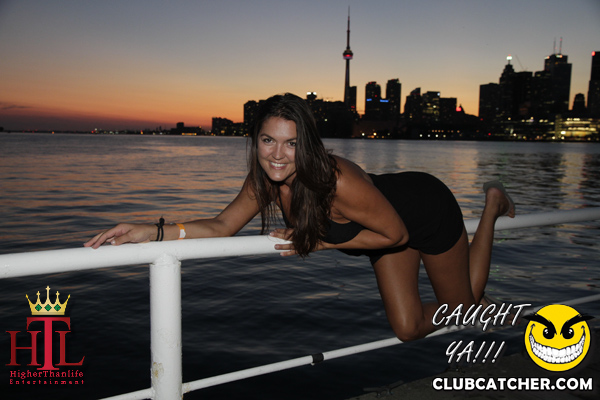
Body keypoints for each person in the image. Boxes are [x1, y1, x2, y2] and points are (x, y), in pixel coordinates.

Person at [85, 92, 515, 342]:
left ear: (306, 145)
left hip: (422, 211)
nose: (277, 154)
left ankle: (491, 206)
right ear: (255, 140)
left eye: (290, 143)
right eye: (268, 140)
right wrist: (152, 231)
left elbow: (397, 233)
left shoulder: (335, 180)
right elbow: (221, 226)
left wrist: (319, 241)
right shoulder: (265, 181)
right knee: (407, 328)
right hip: (380, 228)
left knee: (464, 307)